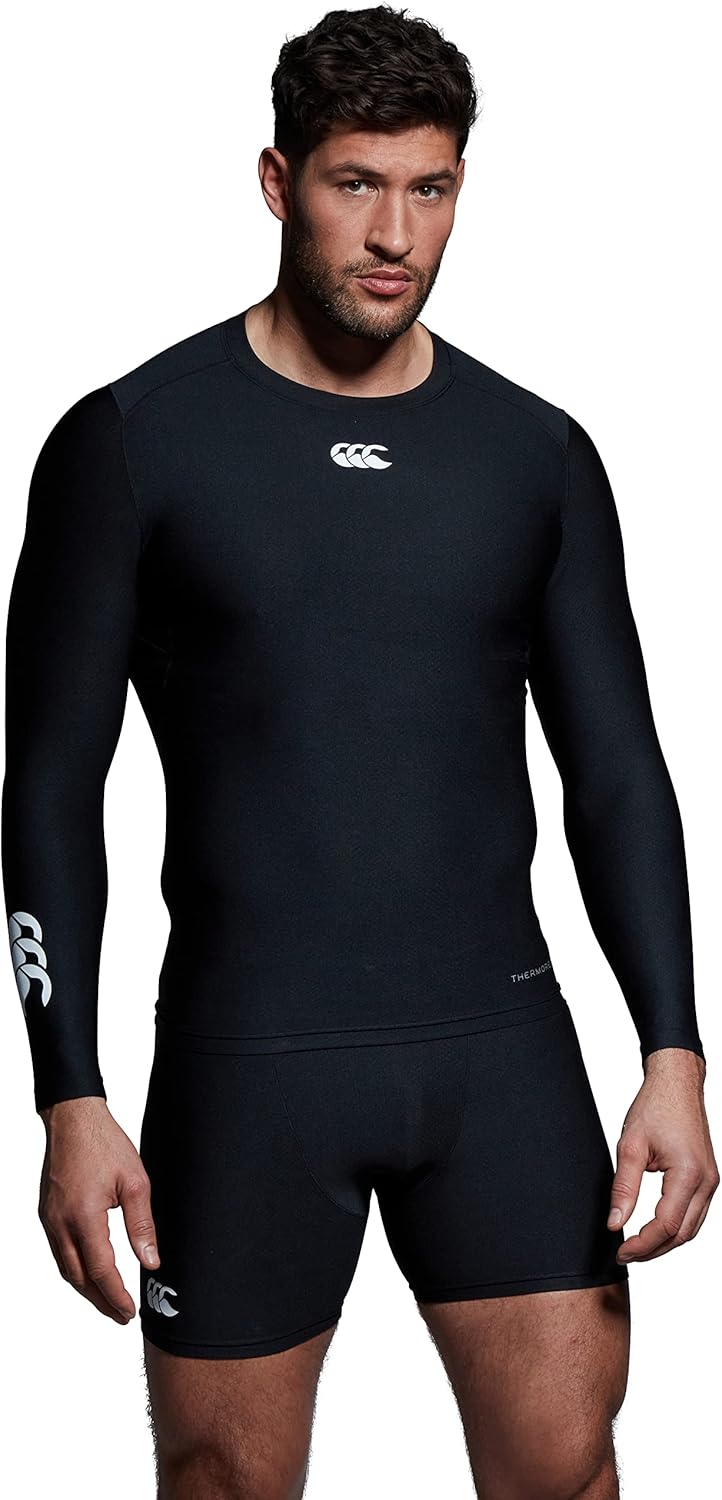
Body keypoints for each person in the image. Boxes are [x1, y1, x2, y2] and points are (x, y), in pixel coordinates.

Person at [3, 5, 718, 1497]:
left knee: (568, 1472)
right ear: (278, 181)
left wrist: (672, 1050)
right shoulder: (133, 444)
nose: (395, 234)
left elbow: (617, 771)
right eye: (356, 184)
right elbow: (50, 787)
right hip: (247, 1064)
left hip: (500, 1058)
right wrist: (67, 1089)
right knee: (221, 1484)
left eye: (429, 187)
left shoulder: (533, 455)